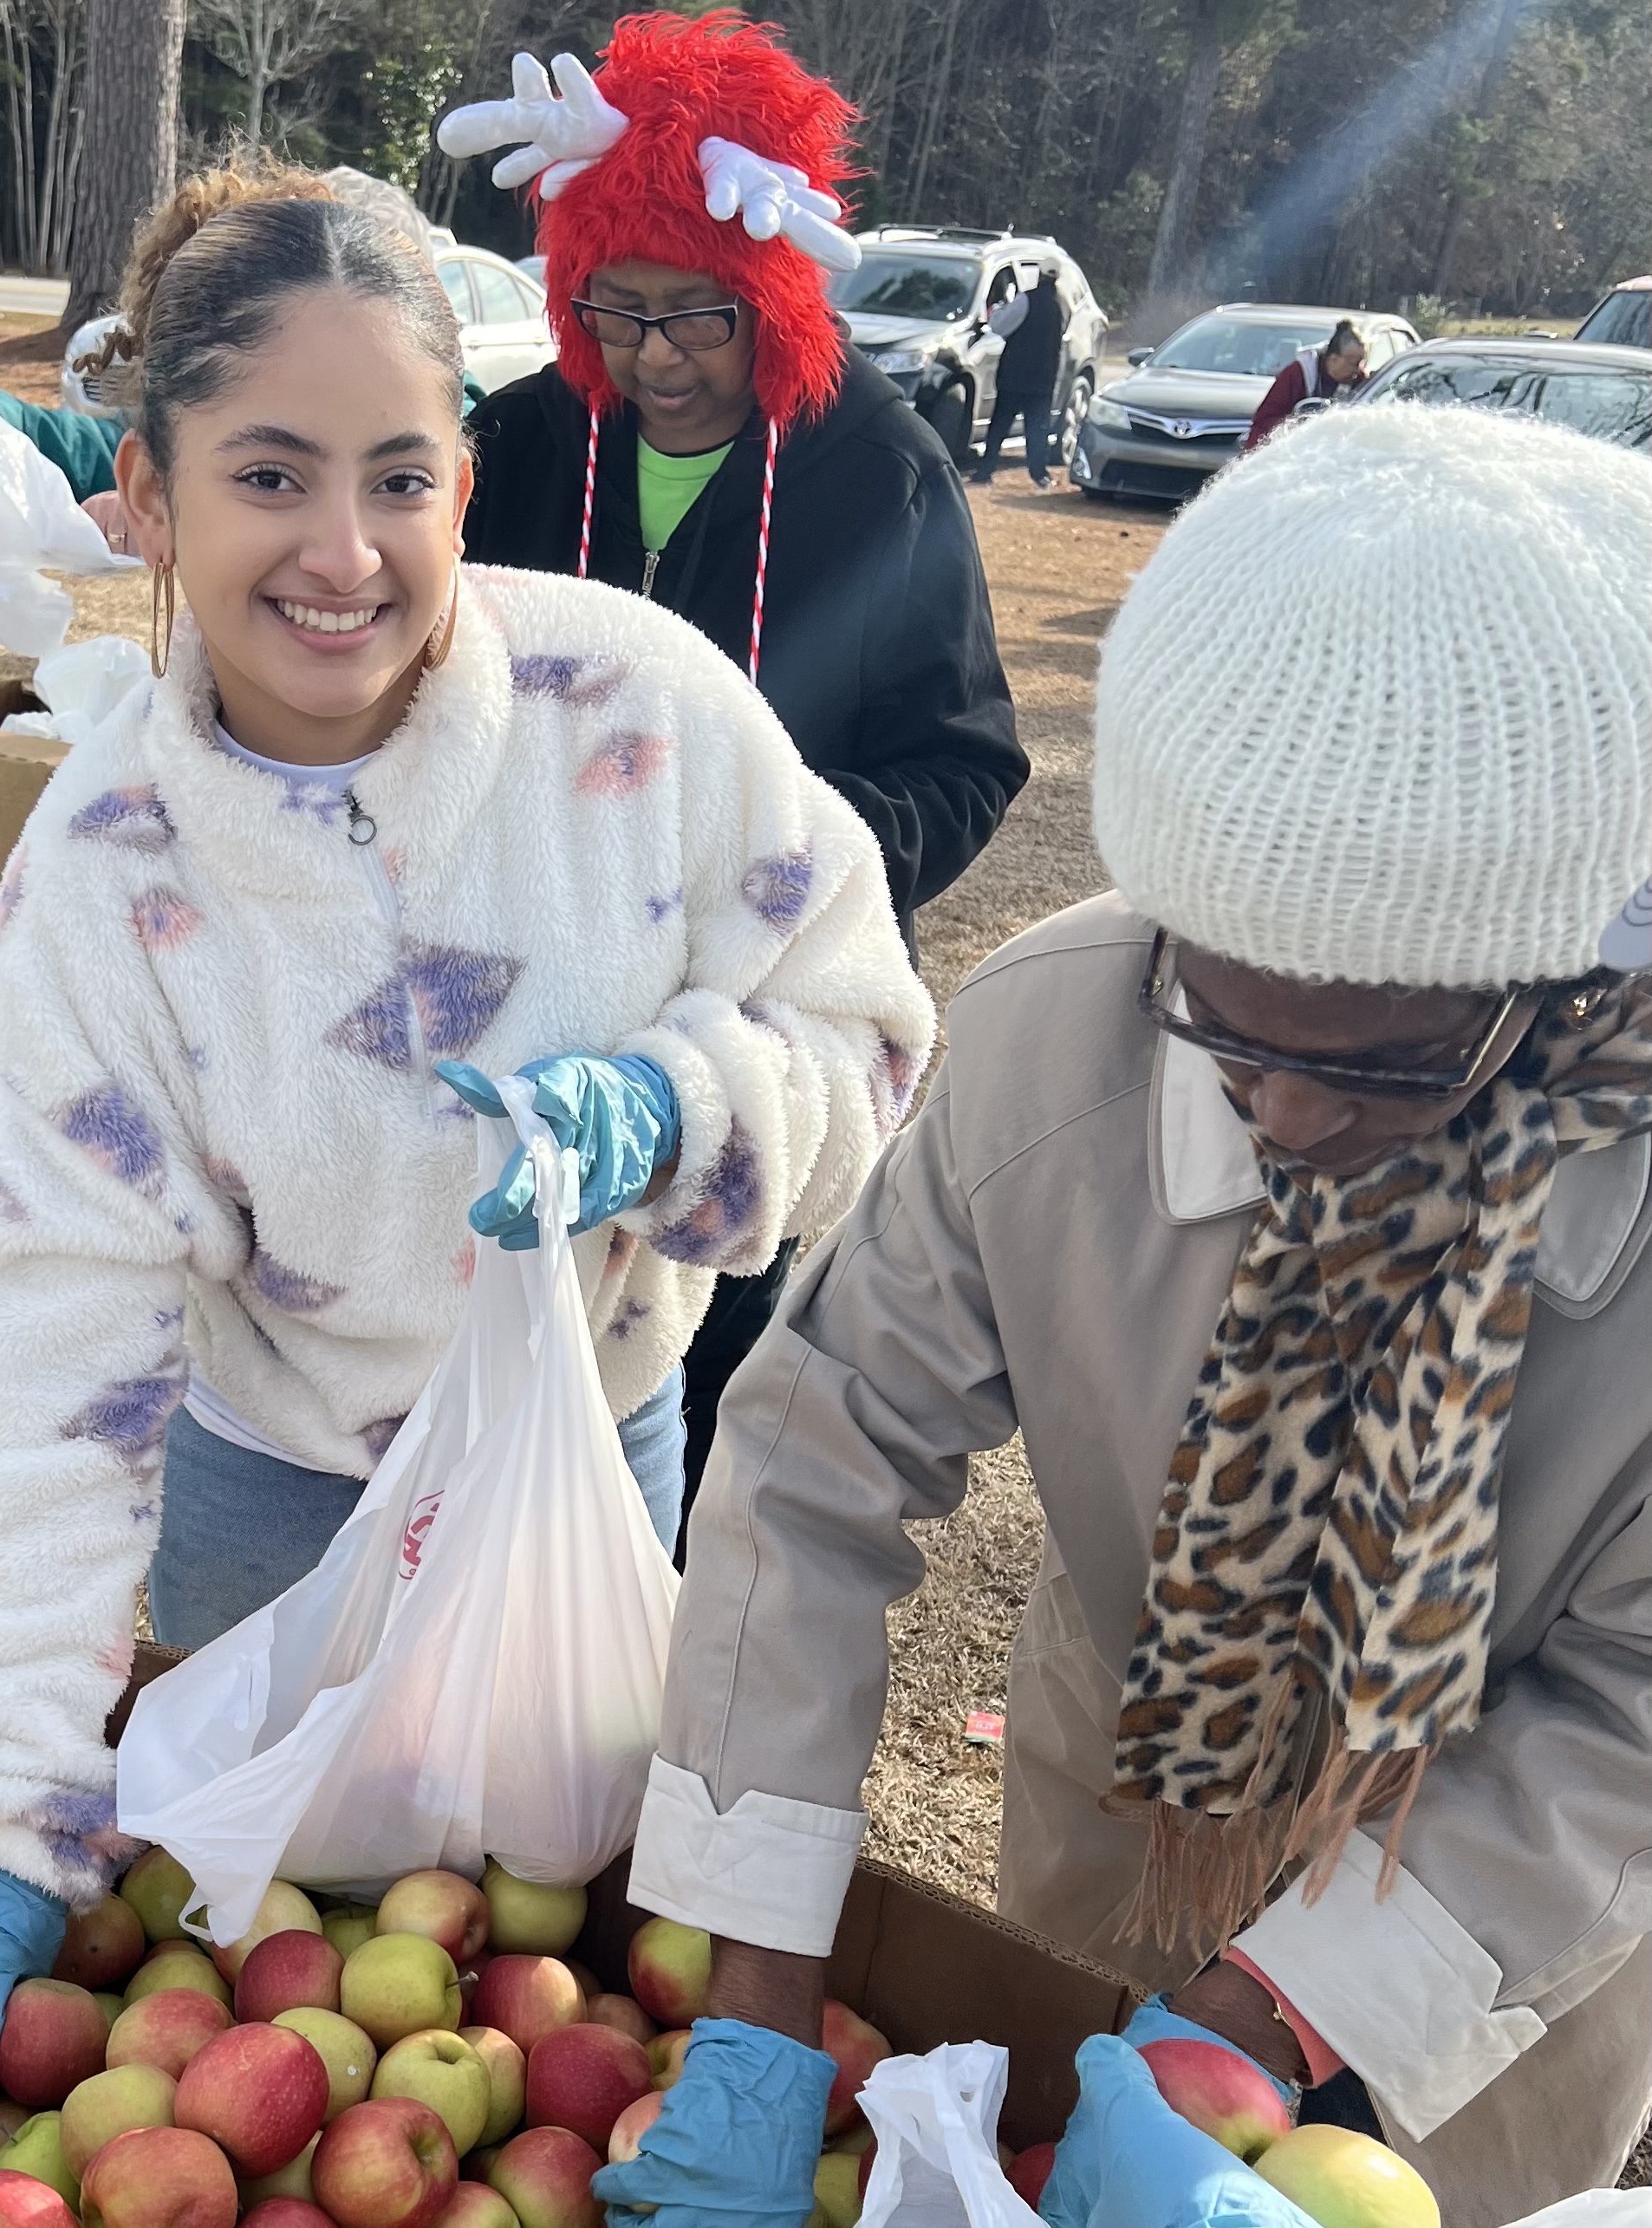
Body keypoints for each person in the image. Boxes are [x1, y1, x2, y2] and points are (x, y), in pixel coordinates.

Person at [0, 160, 933, 2140]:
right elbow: (51, 1355)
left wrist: (675, 1112)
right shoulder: (105, 880)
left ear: (466, 478)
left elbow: (860, 1034)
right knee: (295, 1938)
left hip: (588, 1471)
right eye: (267, 475)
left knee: (555, 1951)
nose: (342, 551)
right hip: (266, 1512)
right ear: (146, 494)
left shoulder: (644, 716)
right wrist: (6, 1807)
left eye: (400, 475)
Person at [602, 403, 1652, 2225]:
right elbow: (809, 1455)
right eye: (1227, 1023)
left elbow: (1626, 1714)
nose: (1293, 1109)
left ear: (1570, 968)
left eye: (1401, 1056)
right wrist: (754, 1990)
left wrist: (1257, 2025)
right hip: (1128, 1825)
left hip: (1497, 1935)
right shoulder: (1049, 1045)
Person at [433, 11, 1028, 1524]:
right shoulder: (518, 443)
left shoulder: (876, 473)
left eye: (697, 316)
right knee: (484, 1310)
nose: (655, 359)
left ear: (767, 293)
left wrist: (779, 866)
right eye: (613, 312)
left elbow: (964, 761)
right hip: (522, 968)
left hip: (744, 1016)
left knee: (687, 1369)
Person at [971, 255, 1066, 488]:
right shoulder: (1062, 305)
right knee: (1037, 429)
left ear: (1039, 274)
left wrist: (998, 310)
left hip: (1015, 375)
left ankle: (986, 470)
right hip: (1044, 378)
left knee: (1000, 425)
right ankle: (1039, 474)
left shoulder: (1026, 300)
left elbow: (999, 326)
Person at [1242, 315, 1368, 450]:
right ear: (1333, 359)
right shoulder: (1298, 373)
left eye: (1360, 362)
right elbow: (1265, 421)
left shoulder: (1360, 381)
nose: (1357, 369)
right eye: (1353, 363)